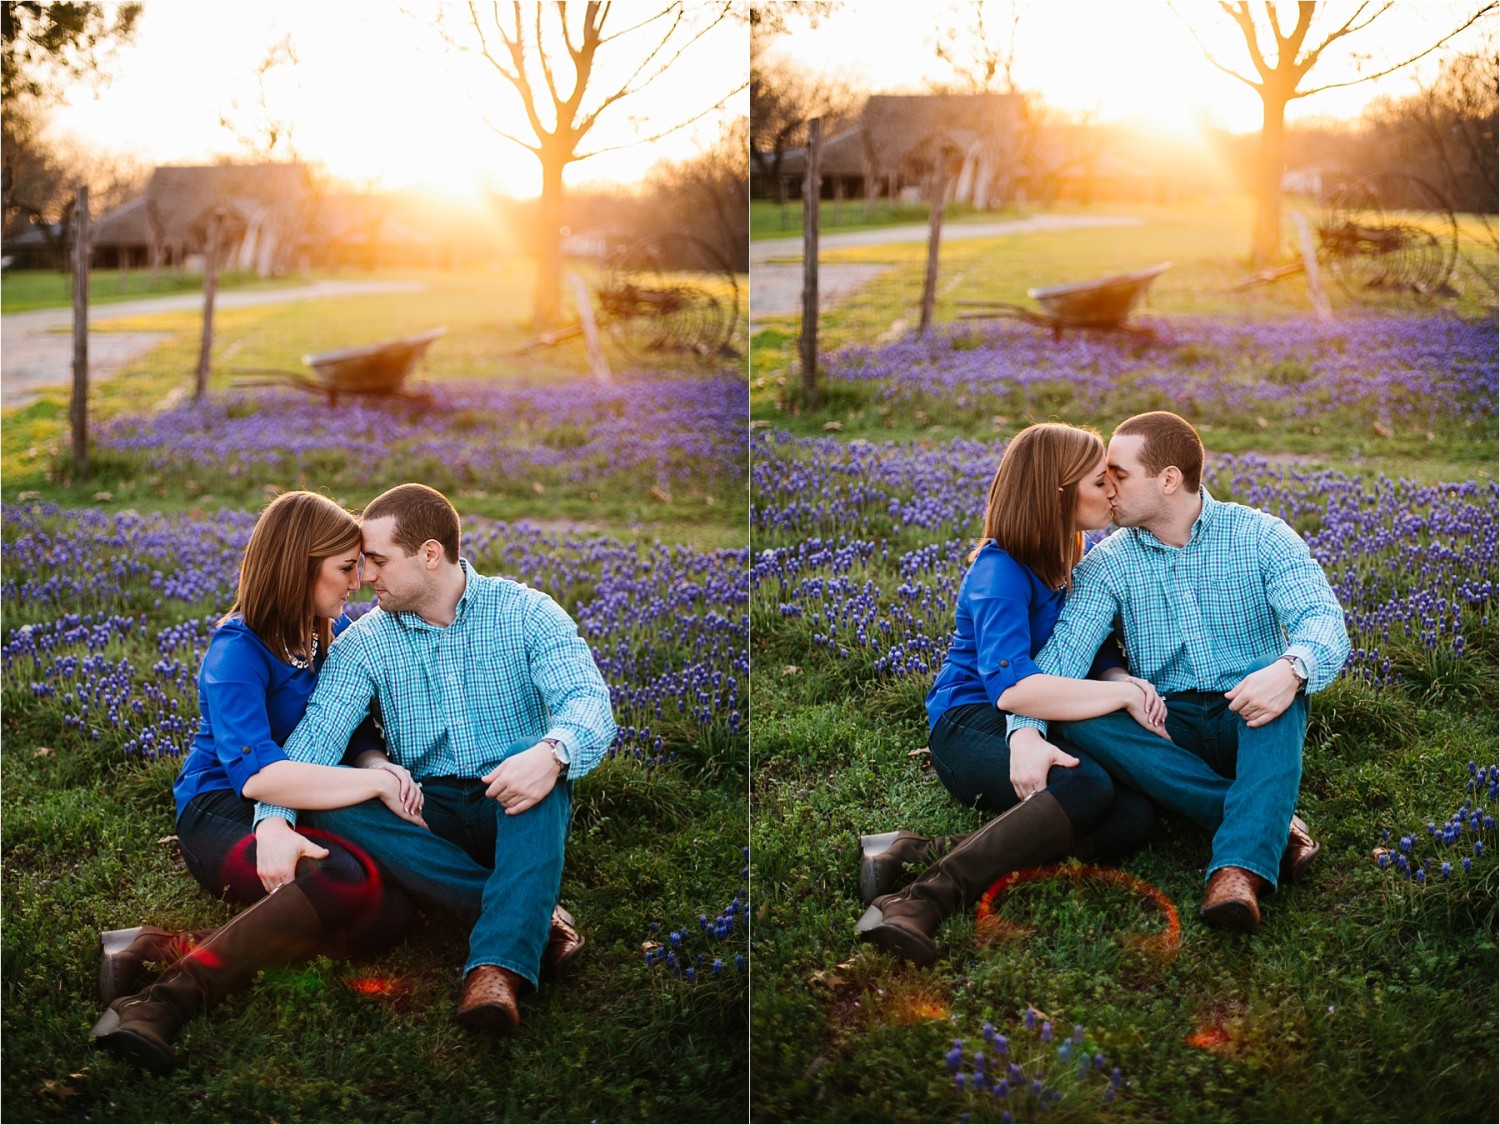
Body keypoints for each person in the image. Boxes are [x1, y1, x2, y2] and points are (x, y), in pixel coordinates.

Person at [252, 482, 617, 1034]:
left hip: (511, 800)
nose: (363, 577)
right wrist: (272, 822)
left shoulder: (526, 613)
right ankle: (531, 917)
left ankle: (494, 971)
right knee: (332, 803)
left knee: (543, 770)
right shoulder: (365, 642)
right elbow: (314, 744)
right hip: (426, 811)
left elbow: (587, 701)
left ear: (428, 554)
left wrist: (552, 753)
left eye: (377, 561)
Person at [90, 490, 428, 1075]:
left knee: (390, 912)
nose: (358, 583)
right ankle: (163, 1000)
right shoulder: (237, 650)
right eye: (346, 569)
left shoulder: (328, 631)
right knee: (339, 878)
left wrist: (373, 763)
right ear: (302, 566)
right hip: (219, 810)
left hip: (301, 798)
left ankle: (153, 944)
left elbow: (352, 725)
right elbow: (258, 778)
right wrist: (367, 789)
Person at [1006, 411, 1349, 933]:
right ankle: (1270, 825)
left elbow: (1322, 619)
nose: (1106, 488)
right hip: (1167, 726)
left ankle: (1236, 872)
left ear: (1167, 479)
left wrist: (1291, 669)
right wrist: (1024, 732)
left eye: (1118, 475)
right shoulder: (1108, 563)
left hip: (1248, 712)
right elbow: (1061, 662)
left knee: (1284, 689)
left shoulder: (1260, 535)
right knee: (1082, 716)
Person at [856, 422, 1169, 966]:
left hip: (1041, 714)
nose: (1112, 490)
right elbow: (1011, 690)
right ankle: (920, 898)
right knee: (1087, 784)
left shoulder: (1072, 556)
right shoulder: (999, 570)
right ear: (1059, 492)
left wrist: (1117, 677)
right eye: (1100, 482)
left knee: (1136, 814)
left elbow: (1089, 643)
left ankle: (911, 850)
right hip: (968, 724)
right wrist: (1116, 700)